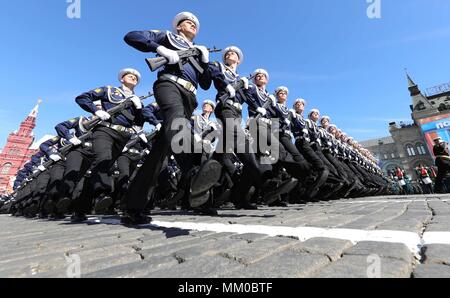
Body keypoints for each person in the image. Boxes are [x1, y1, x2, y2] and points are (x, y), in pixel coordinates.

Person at [122, 12, 222, 223]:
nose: (193, 25)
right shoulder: (168, 37)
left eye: (195, 24)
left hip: (190, 97)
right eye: (188, 22)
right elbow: (132, 36)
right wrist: (160, 49)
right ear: (178, 27)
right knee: (178, 124)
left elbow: (204, 84)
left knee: (161, 151)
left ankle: (133, 206)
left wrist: (204, 61)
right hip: (169, 86)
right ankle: (196, 176)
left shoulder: (197, 51)